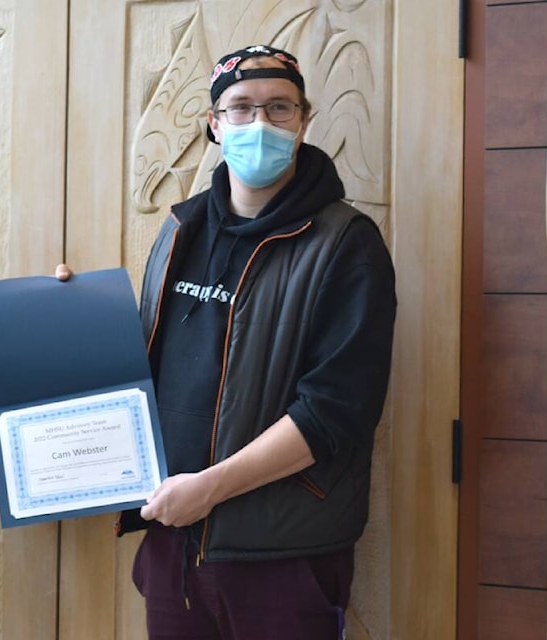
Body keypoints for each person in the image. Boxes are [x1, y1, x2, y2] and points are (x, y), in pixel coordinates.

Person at [60, 44, 396, 639]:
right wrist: (62, 314)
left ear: (304, 120)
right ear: (214, 125)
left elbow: (334, 411)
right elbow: (146, 367)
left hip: (282, 555)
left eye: (279, 108)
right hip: (175, 545)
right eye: (240, 108)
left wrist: (208, 491)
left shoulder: (346, 244)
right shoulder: (180, 228)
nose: (260, 124)